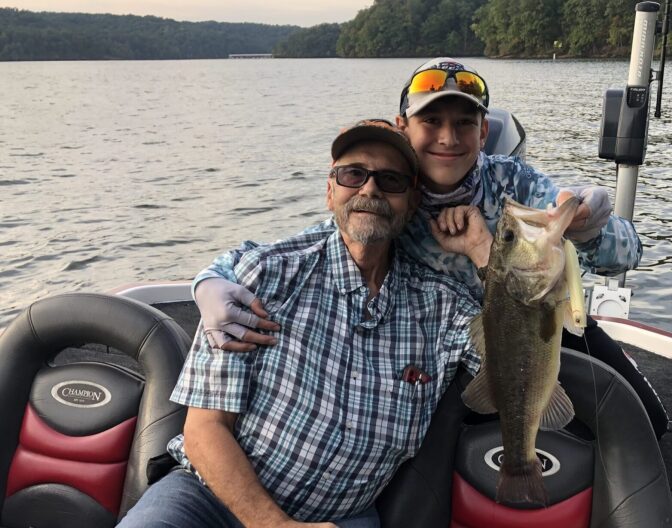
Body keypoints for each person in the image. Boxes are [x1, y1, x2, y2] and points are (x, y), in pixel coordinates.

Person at [193, 58, 668, 438]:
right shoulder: (388, 192)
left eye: (465, 123)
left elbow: (627, 253)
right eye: (432, 120)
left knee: (646, 419)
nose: (448, 137)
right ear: (404, 126)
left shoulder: (513, 183)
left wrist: (588, 228)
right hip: (429, 353)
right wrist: (209, 282)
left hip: (536, 327)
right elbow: (314, 239)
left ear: (484, 133)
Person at [117, 120, 486, 528]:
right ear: (331, 191)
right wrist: (275, 525)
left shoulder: (441, 305)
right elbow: (205, 430)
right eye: (353, 174)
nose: (369, 190)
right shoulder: (267, 276)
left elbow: (515, 366)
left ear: (413, 201)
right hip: (207, 496)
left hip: (343, 516)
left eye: (391, 180)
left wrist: (484, 251)